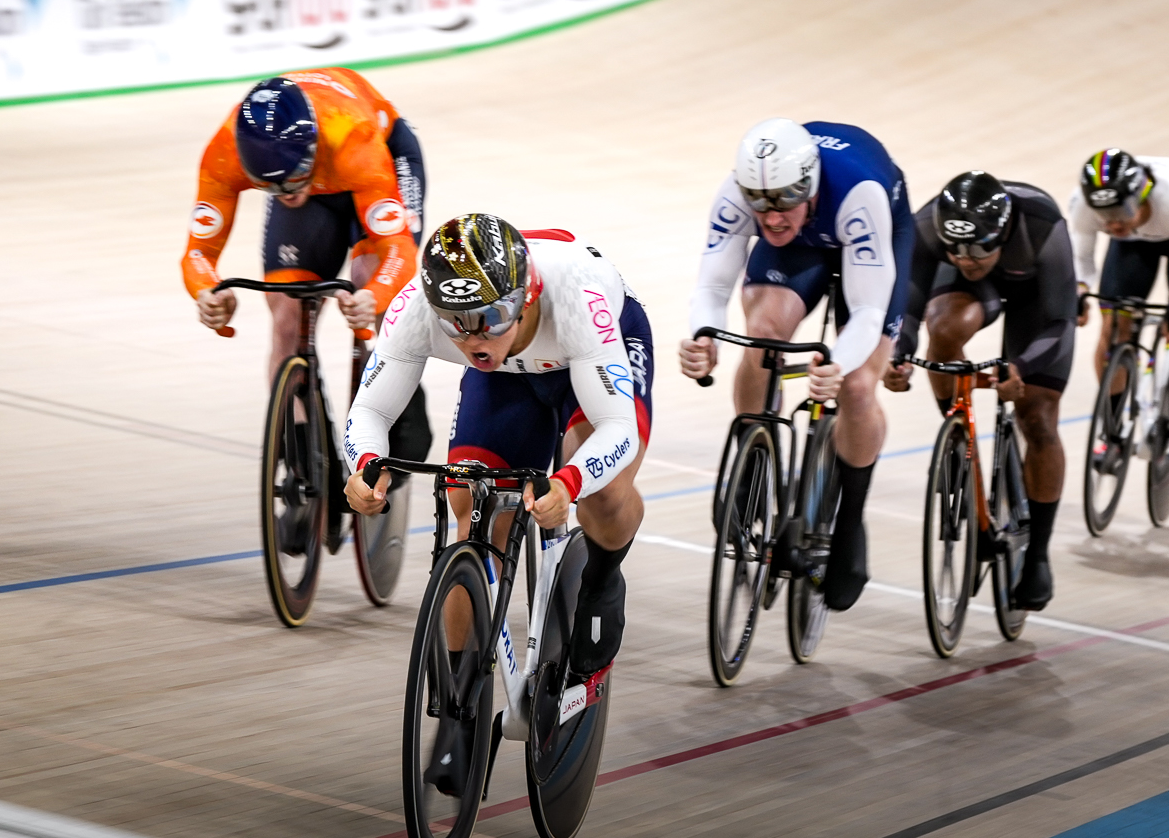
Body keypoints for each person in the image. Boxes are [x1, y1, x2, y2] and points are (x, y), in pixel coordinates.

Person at [344, 214, 650, 795]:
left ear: (526, 295)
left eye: (488, 319)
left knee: (605, 495)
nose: (474, 339)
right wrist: (362, 466)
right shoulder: (419, 307)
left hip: (593, 354)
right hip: (512, 378)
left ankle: (602, 581)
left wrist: (570, 481)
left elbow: (618, 430)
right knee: (472, 503)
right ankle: (459, 711)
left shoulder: (575, 296)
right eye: (456, 325)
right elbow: (370, 412)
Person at [677, 118, 914, 612]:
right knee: (762, 337)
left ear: (808, 186)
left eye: (784, 200)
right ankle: (753, 456)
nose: (772, 216)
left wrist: (840, 364)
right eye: (760, 203)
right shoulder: (747, 193)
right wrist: (703, 336)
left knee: (857, 388)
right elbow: (712, 286)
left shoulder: (859, 194)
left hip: (870, 234)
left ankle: (850, 524)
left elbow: (868, 312)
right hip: (806, 245)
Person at [180, 67, 433, 470]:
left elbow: (397, 248)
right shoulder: (225, 151)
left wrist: (375, 297)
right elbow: (198, 253)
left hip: (378, 164)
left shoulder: (354, 137)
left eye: (293, 180)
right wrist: (209, 292)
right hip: (321, 176)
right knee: (286, 315)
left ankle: (398, 389)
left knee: (371, 282)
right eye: (271, 187)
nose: (285, 194)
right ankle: (303, 459)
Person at [889, 171, 1076, 611]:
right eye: (955, 247)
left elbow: (1059, 322)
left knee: (1038, 419)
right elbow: (906, 310)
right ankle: (959, 431)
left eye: (978, 248)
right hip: (972, 295)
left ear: (1002, 231)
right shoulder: (931, 226)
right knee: (944, 326)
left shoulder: (1042, 226)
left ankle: (1038, 554)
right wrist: (898, 354)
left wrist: (1021, 367)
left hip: (1037, 298)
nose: (966, 257)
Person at [1070, 148, 1169, 441]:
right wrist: (1080, 290)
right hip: (1134, 241)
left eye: (1121, 212)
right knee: (1114, 330)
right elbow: (1082, 257)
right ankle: (1112, 424)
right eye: (1104, 216)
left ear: (1142, 195)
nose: (1113, 224)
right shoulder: (1084, 203)